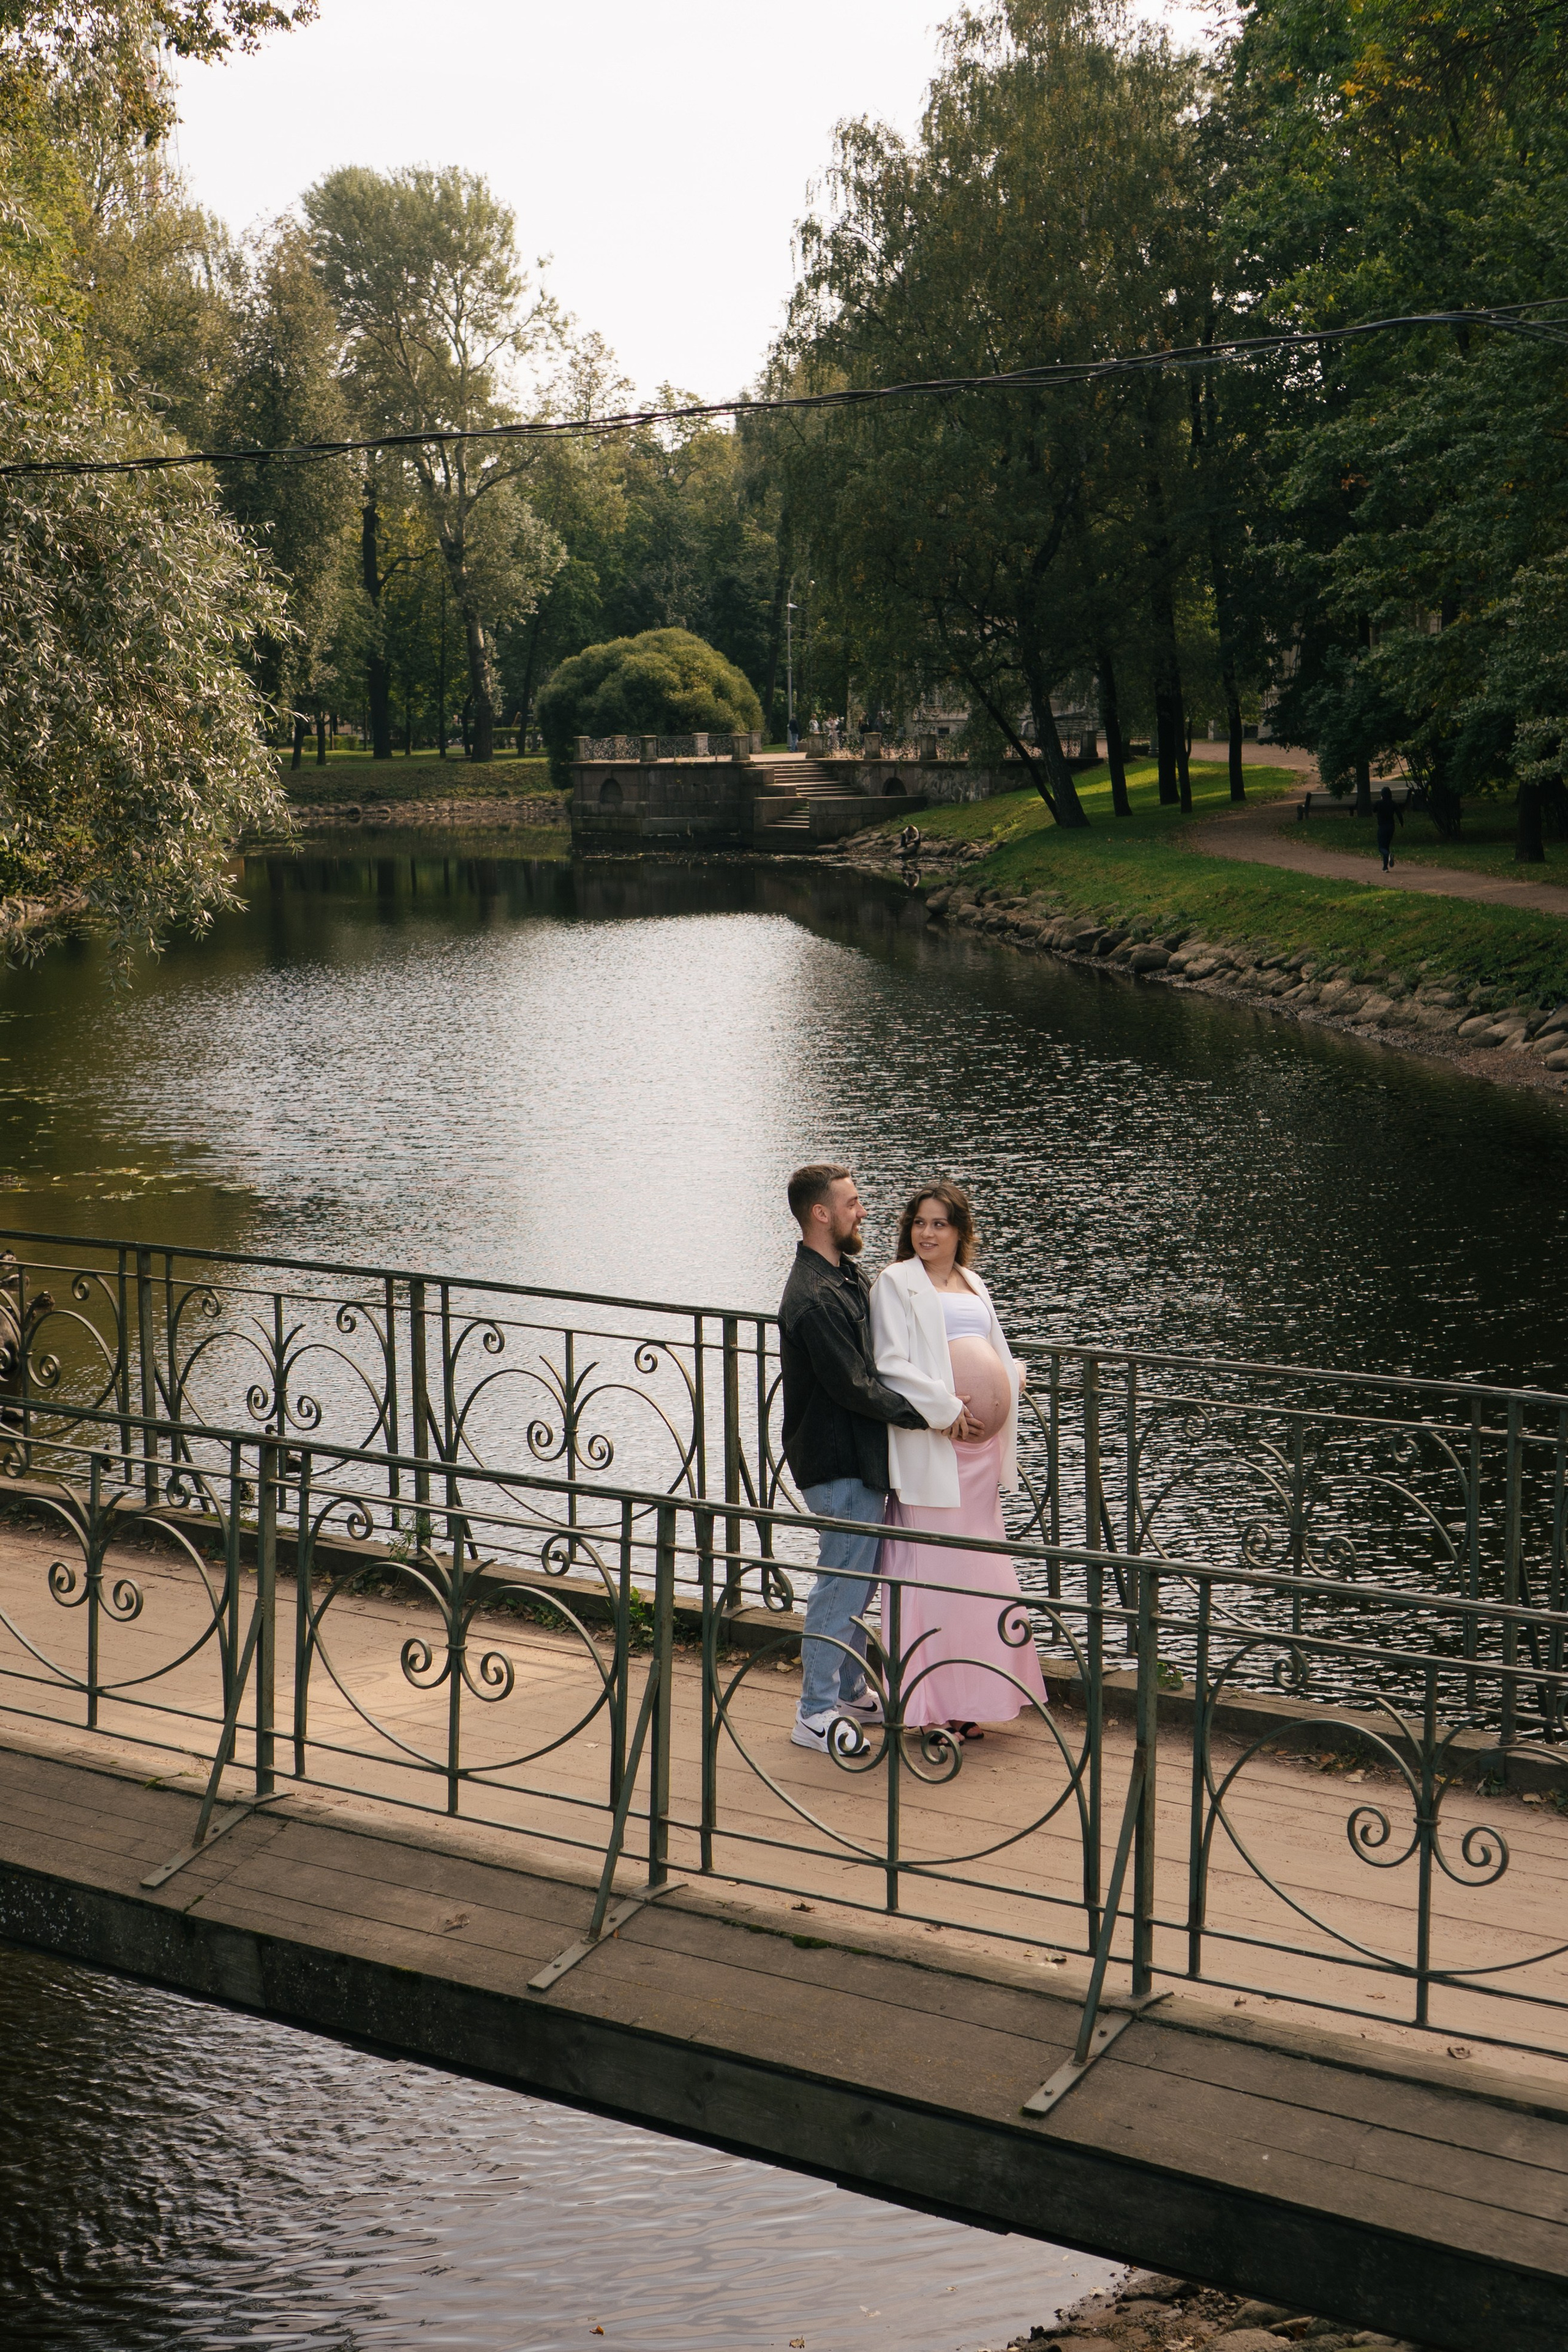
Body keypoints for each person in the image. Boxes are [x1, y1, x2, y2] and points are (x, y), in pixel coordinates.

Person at [777, 1164, 971, 1753]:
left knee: (860, 1582)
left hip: (862, 1458)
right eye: (853, 1203)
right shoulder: (813, 1298)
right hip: (837, 1464)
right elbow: (857, 1386)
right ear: (822, 1214)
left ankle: (848, 1688)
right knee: (840, 1585)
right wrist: (937, 1415)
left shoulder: (843, 1275)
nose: (863, 1211)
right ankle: (814, 1713)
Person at [870, 1181, 1047, 1742]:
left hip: (979, 1456)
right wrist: (945, 1409)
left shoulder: (975, 1283)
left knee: (979, 1572)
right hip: (934, 1445)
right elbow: (890, 1362)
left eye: (939, 1224)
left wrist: (1006, 1377)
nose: (927, 1233)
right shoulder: (895, 1282)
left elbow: (994, 1348)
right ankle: (929, 1703)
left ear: (960, 1231)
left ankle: (978, 1694)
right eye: (919, 1222)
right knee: (932, 1572)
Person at [1376, 785, 1403, 872]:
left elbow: (1374, 810)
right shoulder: (1393, 804)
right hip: (1391, 827)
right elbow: (1399, 814)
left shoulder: (1379, 803)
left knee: (1381, 847)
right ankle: (1385, 867)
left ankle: (1388, 855)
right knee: (1386, 845)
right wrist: (1402, 824)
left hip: (1382, 827)